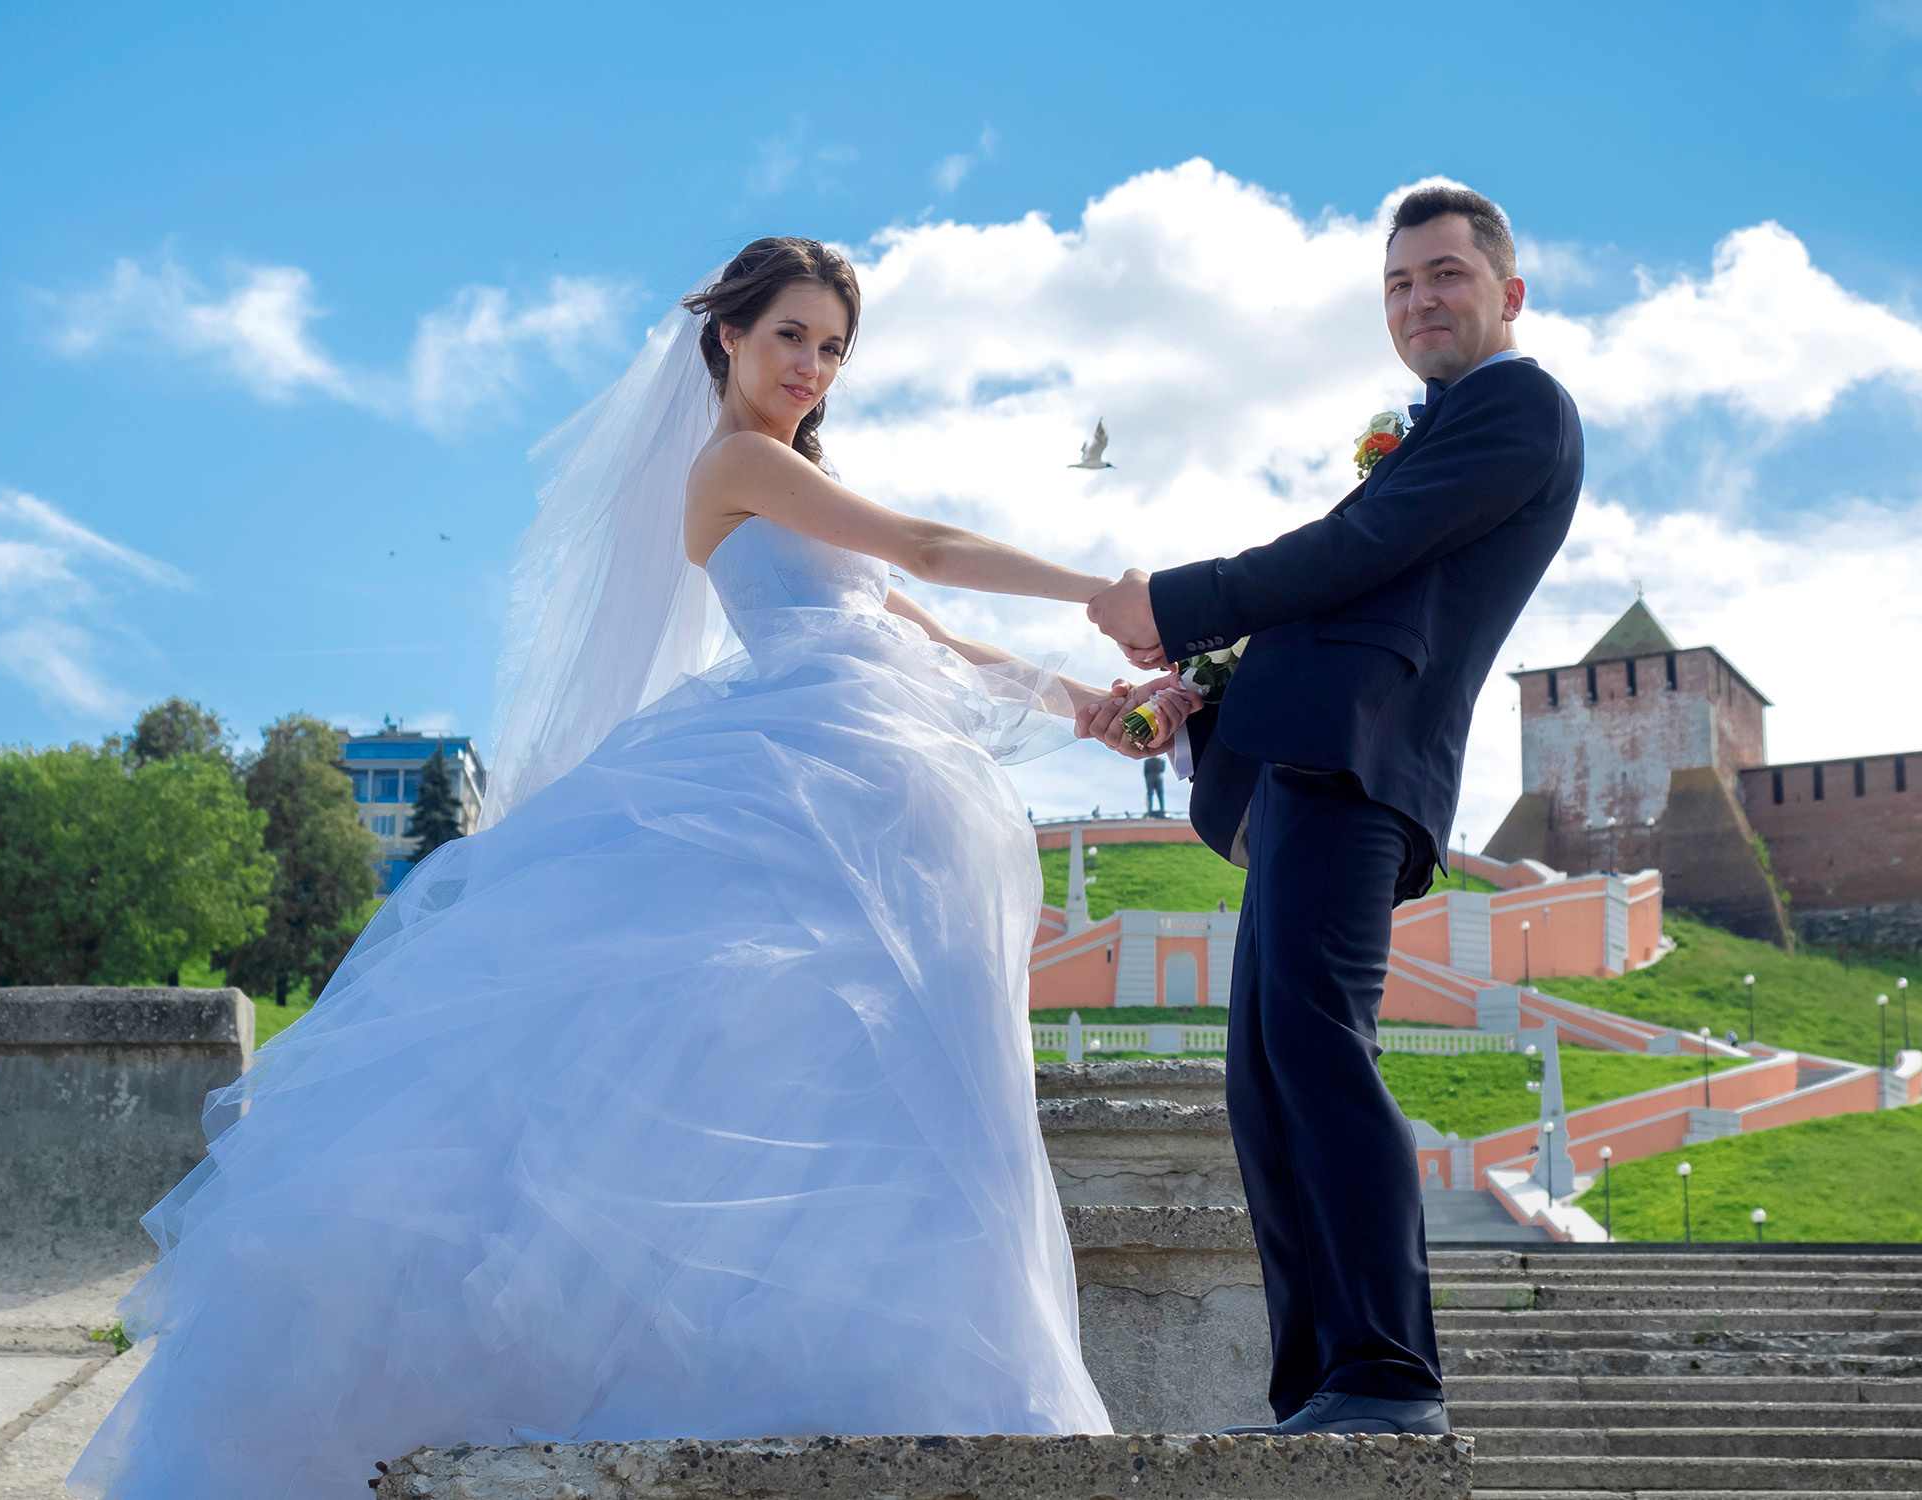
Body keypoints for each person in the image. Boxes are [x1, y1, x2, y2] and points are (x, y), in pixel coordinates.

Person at [71, 239, 1175, 1498]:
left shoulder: (809, 480)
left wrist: (1091, 700)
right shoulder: (735, 466)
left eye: (831, 348)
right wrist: (1113, 592)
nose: (811, 367)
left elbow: (921, 625)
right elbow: (924, 545)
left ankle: (900, 1367)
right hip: (800, 773)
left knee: (874, 1078)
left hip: (881, 783)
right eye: (788, 338)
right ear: (726, 340)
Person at [1080, 186, 1583, 1436]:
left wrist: (1179, 599)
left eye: (1446, 275)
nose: (1419, 299)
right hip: (1308, 759)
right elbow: (1353, 581)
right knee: (1261, 1076)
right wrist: (1197, 692)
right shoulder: (1432, 431)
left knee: (1314, 1045)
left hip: (1361, 766)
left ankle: (1384, 1373)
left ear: (1506, 294)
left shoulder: (1517, 408)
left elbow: (1355, 550)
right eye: (1399, 283)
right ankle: (1316, 1382)